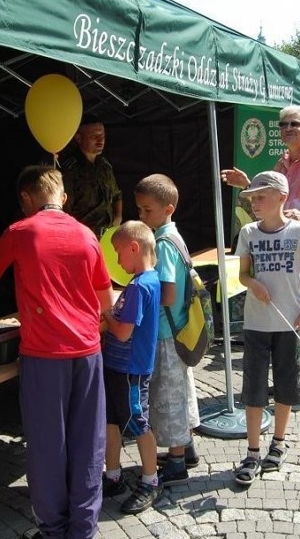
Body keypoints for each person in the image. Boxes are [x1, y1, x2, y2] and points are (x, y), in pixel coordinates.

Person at [0, 165, 113, 539]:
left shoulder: (19, 232)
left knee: (47, 447)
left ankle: (53, 530)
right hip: (87, 352)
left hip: (43, 355)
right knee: (88, 443)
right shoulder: (87, 235)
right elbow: (106, 304)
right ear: (63, 198)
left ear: (26, 198)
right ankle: (84, 530)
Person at [221, 105, 300, 414]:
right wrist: (247, 184)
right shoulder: (283, 163)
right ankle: (295, 382)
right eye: (283, 125)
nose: (287, 128)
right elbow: (273, 198)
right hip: (281, 253)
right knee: (287, 321)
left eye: (294, 124)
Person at [232, 171, 300, 484]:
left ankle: (279, 441)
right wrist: (253, 283)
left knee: (287, 384)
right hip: (257, 323)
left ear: (281, 198)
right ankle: (252, 451)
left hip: (289, 322)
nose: (255, 202)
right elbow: (242, 274)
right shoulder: (248, 232)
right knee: (254, 388)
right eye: (252, 198)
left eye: (261, 197)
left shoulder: (299, 231)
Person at [133, 174, 201, 487]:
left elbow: (168, 293)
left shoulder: (162, 243)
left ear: (168, 208)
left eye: (147, 210)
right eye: (140, 210)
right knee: (179, 391)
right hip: (179, 330)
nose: (141, 216)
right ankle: (185, 448)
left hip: (166, 333)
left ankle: (176, 462)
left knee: (170, 397)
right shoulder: (173, 235)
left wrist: (140, 299)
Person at [99, 221, 163, 515]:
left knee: (139, 424)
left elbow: (123, 332)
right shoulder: (141, 283)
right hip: (116, 367)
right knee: (111, 422)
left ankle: (151, 481)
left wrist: (106, 313)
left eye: (117, 253)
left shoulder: (140, 286)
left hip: (130, 370)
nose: (116, 260)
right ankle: (112, 476)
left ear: (133, 248)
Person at [60, 118, 123, 237]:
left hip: (108, 236)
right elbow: (64, 209)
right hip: (83, 237)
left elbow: (116, 195)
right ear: (78, 138)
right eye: (94, 137)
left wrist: (118, 218)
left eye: (102, 136)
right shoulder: (70, 170)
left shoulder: (105, 166)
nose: (100, 141)